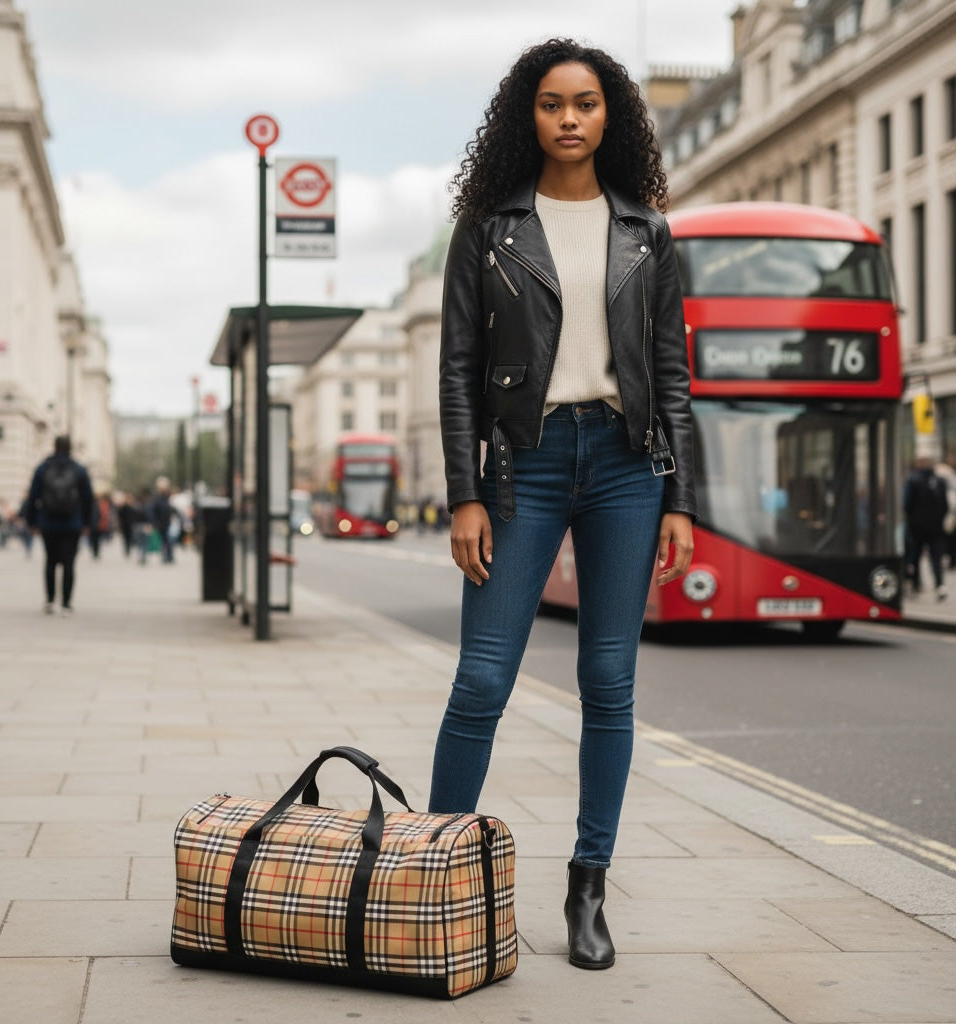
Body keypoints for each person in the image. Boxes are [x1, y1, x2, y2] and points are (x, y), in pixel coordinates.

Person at [427, 38, 696, 971]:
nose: (570, 118)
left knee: (609, 683)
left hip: (627, 464)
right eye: (551, 103)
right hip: (521, 471)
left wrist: (679, 501)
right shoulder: (488, 227)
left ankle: (589, 886)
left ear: (610, 114)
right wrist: (464, 493)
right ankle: (439, 872)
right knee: (483, 680)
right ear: (526, 115)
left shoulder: (646, 234)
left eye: (585, 102)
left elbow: (671, 374)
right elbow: (458, 371)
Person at [27, 436, 95, 615]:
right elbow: (88, 499)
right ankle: (66, 603)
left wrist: (31, 521)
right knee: (69, 563)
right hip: (72, 523)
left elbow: (33, 496)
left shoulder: (43, 468)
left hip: (48, 522)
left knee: (50, 561)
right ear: (70, 448)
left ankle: (49, 600)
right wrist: (87, 523)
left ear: (54, 447)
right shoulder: (79, 470)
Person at [903, 452, 950, 600]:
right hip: (935, 527)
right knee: (936, 557)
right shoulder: (939, 481)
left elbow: (907, 504)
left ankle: (916, 584)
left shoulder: (913, 480)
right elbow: (945, 505)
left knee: (915, 555)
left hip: (917, 527)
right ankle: (939, 585)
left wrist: (911, 518)